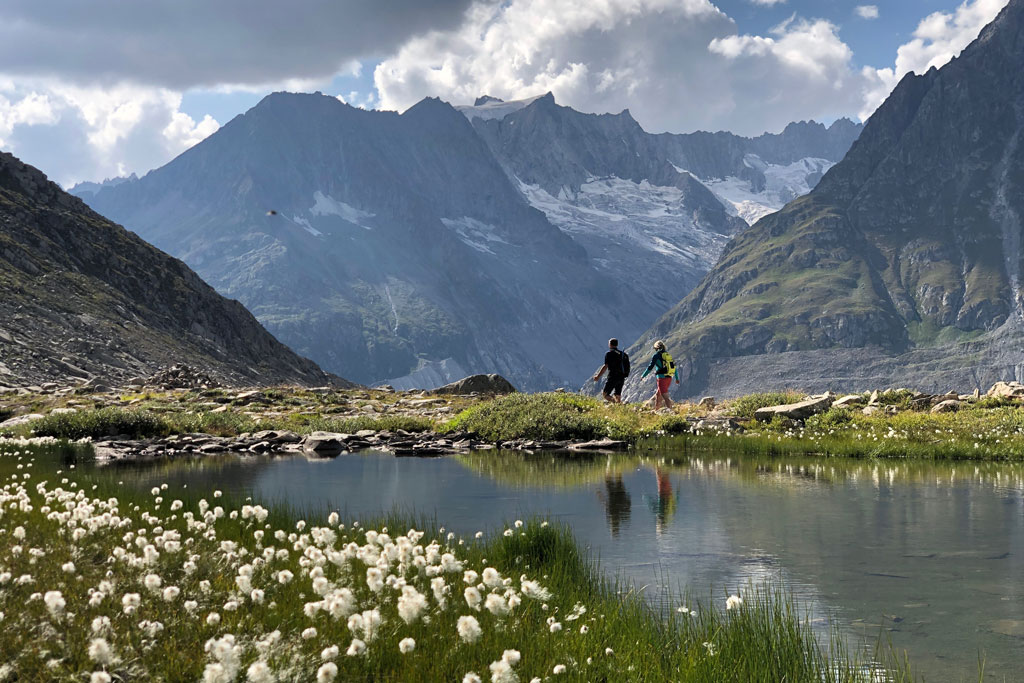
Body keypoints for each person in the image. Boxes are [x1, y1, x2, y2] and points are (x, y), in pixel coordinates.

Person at [640, 340, 679, 410]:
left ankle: (670, 411)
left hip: (661, 378)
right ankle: (657, 409)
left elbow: (650, 367)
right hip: (669, 377)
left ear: (656, 348)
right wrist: (677, 378)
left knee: (665, 397)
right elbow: (674, 367)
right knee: (658, 394)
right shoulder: (667, 355)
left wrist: (643, 375)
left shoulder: (656, 356)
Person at [592, 338, 628, 403]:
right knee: (617, 395)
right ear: (617, 344)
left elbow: (605, 366)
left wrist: (598, 376)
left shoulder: (609, 354)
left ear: (610, 344)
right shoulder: (623, 354)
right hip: (622, 377)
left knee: (605, 394)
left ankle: (616, 403)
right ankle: (619, 405)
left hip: (613, 376)